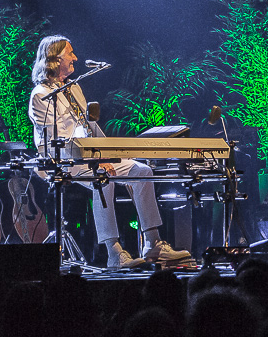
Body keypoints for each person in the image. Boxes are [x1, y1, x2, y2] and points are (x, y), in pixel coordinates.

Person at [27, 34, 190, 269]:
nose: (75, 57)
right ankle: (114, 252)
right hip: (63, 161)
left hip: (90, 156)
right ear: (55, 59)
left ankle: (153, 243)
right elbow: (57, 140)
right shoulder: (41, 95)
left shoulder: (74, 89)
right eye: (70, 53)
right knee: (102, 178)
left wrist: (108, 152)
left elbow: (89, 127)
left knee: (142, 171)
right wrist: (95, 159)